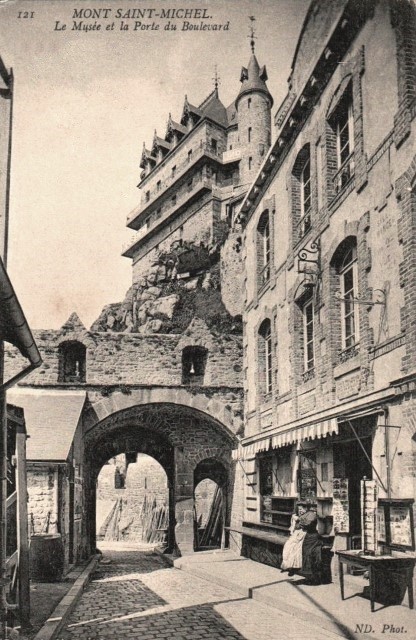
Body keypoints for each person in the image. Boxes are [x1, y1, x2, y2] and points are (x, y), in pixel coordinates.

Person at [299, 509, 324, 584]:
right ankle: (312, 577)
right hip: (312, 537)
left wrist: (301, 522)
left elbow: (307, 523)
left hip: (312, 537)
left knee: (310, 557)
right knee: (310, 557)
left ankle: (312, 577)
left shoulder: (311, 515)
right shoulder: (310, 515)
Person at [280, 504, 307, 575]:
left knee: (296, 549)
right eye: (299, 509)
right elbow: (293, 528)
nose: (301, 511)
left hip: (303, 534)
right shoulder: (295, 516)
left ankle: (294, 567)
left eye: (302, 509)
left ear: (306, 509)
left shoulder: (306, 516)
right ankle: (287, 565)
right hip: (296, 534)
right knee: (287, 546)